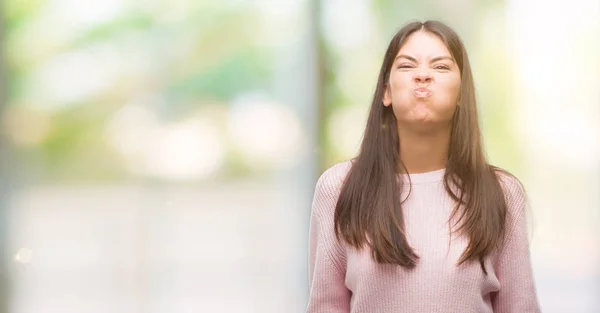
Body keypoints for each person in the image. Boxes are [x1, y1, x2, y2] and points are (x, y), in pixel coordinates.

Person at [306, 20, 541, 313]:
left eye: (440, 67)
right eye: (407, 66)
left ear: (461, 93)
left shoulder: (502, 193)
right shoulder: (338, 188)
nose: (423, 76)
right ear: (386, 92)